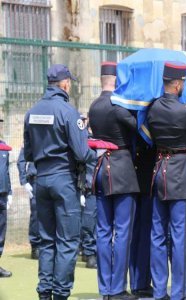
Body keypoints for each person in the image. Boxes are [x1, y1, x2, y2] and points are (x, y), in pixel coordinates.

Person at [23, 64, 94, 300]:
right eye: (70, 82)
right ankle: (61, 294)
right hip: (63, 180)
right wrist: (99, 152)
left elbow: (30, 152)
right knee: (67, 240)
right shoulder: (68, 111)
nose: (70, 85)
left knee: (46, 240)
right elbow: (83, 153)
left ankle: (45, 293)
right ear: (64, 83)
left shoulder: (31, 112)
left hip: (41, 179)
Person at [147, 61, 186, 300]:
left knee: (158, 234)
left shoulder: (152, 108)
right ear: (179, 84)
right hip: (180, 171)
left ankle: (160, 291)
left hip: (159, 170)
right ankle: (179, 291)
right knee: (179, 235)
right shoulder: (185, 111)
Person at [89, 62, 139, 300]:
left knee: (102, 231)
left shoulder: (94, 106)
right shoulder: (118, 106)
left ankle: (105, 288)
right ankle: (117, 288)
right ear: (117, 81)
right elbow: (138, 129)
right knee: (122, 232)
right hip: (121, 170)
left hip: (100, 168)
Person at [129, 133, 156, 298]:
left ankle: (137, 281)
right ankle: (141, 282)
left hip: (132, 174)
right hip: (147, 175)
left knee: (136, 231)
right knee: (145, 231)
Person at [79, 116, 97, 269]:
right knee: (89, 221)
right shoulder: (85, 142)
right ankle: (89, 252)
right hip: (89, 187)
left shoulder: (104, 142)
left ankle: (93, 251)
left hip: (103, 185)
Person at [17, 146, 40, 259]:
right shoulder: (32, 135)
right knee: (36, 214)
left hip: (51, 178)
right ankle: (35, 246)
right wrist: (24, 181)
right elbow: (21, 160)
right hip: (35, 179)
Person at [0, 119, 12, 278]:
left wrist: (9, 192)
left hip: (2, 195)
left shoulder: (3, 147)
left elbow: (6, 171)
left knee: (1, 231)